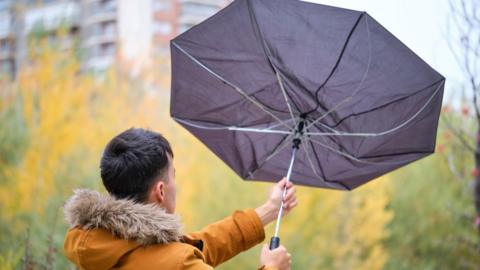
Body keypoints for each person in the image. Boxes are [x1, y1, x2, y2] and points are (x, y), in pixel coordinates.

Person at [64, 128, 297, 270]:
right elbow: (177, 258)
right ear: (161, 191)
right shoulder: (176, 263)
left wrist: (270, 209)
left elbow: (197, 245)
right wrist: (273, 267)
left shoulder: (95, 244)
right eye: (173, 175)